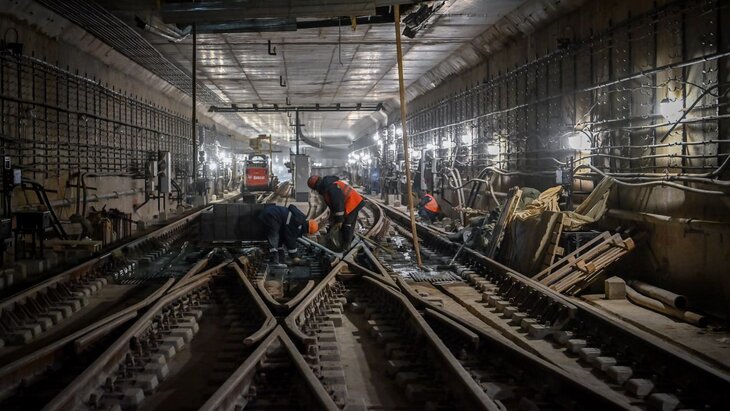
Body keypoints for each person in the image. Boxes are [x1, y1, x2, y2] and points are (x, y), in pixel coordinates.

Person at [307, 175, 365, 250]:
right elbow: (333, 206)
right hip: (350, 202)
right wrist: (334, 219)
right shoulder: (327, 187)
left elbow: (338, 204)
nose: (316, 191)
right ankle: (345, 244)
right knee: (344, 224)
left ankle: (346, 246)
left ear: (317, 186)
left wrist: (339, 220)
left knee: (347, 224)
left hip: (353, 202)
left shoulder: (331, 187)